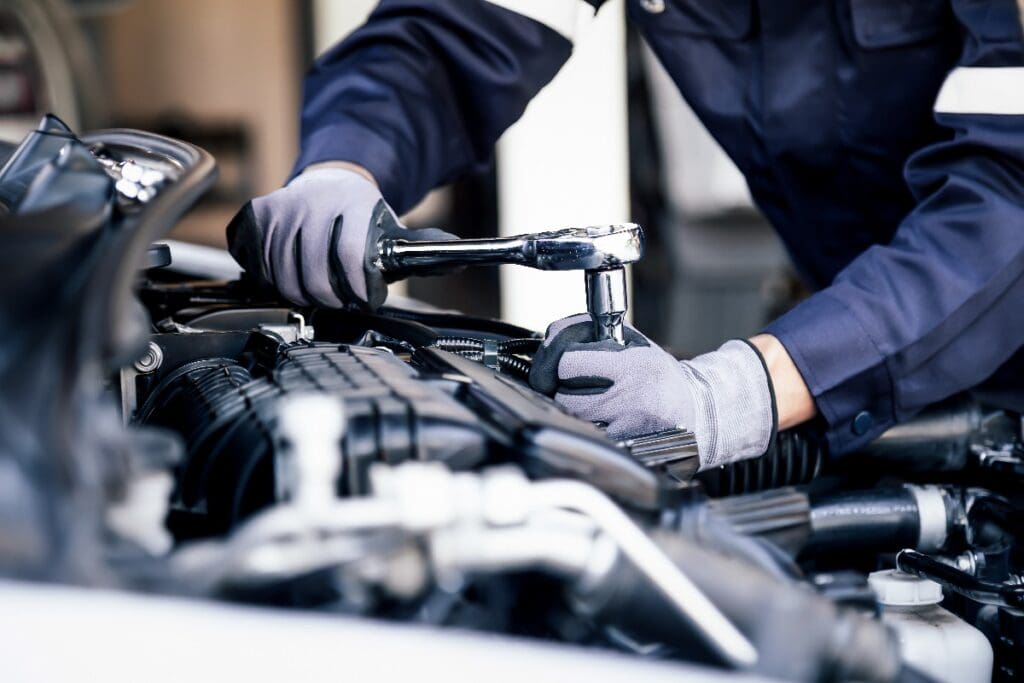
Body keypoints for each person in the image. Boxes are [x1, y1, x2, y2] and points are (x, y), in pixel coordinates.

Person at [228, 0, 1024, 470]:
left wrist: (746, 392)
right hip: (876, 368)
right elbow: (447, 41)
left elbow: (1010, 198)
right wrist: (345, 164)